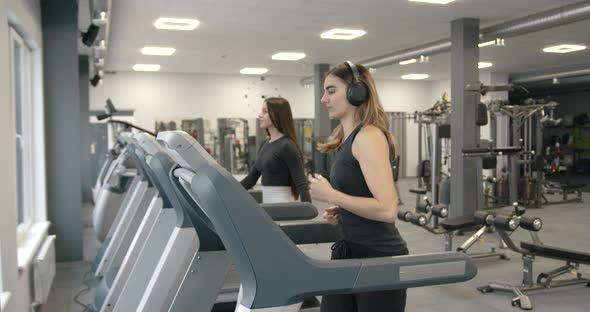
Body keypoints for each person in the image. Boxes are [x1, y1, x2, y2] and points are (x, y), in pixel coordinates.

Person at [309, 61, 408, 312]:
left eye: (331, 90)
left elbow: (387, 211)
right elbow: (365, 193)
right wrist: (345, 210)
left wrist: (333, 195)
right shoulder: (350, 139)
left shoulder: (369, 137)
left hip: (378, 256)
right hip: (350, 249)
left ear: (357, 92)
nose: (324, 98)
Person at [240, 97, 311, 203]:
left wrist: (308, 210)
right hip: (268, 205)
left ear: (277, 115)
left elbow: (301, 183)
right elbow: (251, 179)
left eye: (265, 111)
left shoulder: (287, 146)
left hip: (283, 205)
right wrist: (229, 191)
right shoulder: (265, 144)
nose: (260, 115)